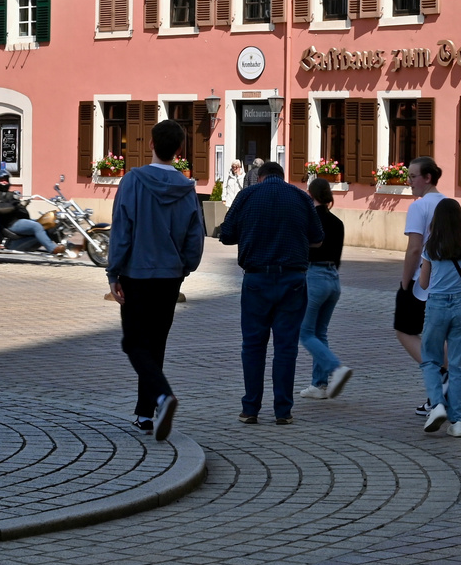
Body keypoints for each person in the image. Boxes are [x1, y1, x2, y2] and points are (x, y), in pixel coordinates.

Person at [107, 119, 205, 440]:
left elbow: (122, 230)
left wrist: (113, 272)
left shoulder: (132, 181)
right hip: (169, 277)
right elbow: (195, 237)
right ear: (179, 151)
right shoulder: (187, 189)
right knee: (156, 343)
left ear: (151, 144)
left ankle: (162, 398)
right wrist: (184, 268)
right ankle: (144, 414)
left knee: (135, 343)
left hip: (136, 274)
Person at [217, 160, 320, 425]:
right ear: (283, 177)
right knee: (286, 347)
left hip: (256, 278)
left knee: (252, 345)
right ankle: (283, 411)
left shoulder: (247, 194)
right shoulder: (300, 196)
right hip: (293, 279)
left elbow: (226, 235)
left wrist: (251, 231)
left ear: (260, 177)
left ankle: (250, 408)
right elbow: (318, 238)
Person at [416, 199, 461, 437]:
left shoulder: (431, 247)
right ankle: (458, 422)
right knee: (457, 365)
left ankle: (437, 405)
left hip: (437, 306)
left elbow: (423, 283)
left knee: (430, 360)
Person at [395, 157, 446, 417]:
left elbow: (414, 248)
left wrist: (405, 283)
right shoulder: (449, 204)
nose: (409, 181)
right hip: (446, 280)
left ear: (427, 177)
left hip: (420, 280)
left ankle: (439, 376)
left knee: (404, 330)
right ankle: (442, 385)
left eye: (413, 176)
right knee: (437, 334)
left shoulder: (420, 206)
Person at [297, 176, 354, 401]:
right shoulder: (337, 222)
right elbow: (337, 254)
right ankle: (318, 385)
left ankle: (335, 368)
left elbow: (304, 249)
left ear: (310, 195)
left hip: (314, 277)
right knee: (320, 332)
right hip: (333, 278)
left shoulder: (308, 220)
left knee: (304, 332)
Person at [0, 172, 62, 255]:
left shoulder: (9, 193)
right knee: (36, 226)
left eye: (6, 180)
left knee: (49, 223)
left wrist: (21, 203)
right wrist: (18, 206)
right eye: (2, 180)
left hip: (19, 220)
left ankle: (69, 246)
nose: (5, 182)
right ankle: (52, 249)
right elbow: (0, 208)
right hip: (11, 224)